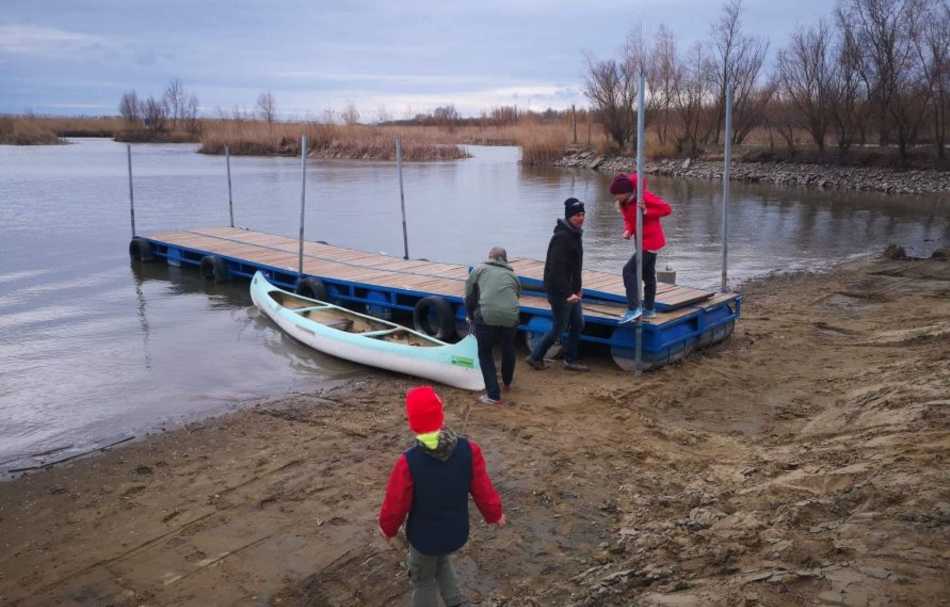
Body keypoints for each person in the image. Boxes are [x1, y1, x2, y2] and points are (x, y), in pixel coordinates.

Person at [378, 386, 506, 607]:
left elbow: (396, 503)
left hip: (424, 539)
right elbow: (483, 489)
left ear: (412, 424)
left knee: (423, 579)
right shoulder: (468, 450)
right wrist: (495, 515)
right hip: (455, 531)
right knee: (442, 561)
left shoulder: (408, 462)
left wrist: (387, 528)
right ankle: (456, 602)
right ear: (441, 415)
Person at [525, 197, 589, 372]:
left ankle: (570, 360)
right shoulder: (562, 237)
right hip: (560, 291)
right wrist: (568, 293)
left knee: (578, 324)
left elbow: (575, 267)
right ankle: (535, 356)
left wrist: (578, 288)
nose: (581, 218)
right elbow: (556, 271)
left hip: (572, 291)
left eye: (583, 214)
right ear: (569, 216)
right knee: (559, 327)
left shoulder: (576, 234)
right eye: (577, 215)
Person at [609, 173, 672, 323]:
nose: (616, 197)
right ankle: (649, 309)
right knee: (647, 276)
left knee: (628, 270)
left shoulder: (644, 198)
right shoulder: (624, 203)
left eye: (618, 194)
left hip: (651, 242)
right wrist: (628, 231)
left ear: (627, 192)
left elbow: (667, 209)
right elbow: (629, 220)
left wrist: (646, 211)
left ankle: (633, 309)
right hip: (641, 242)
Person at [464, 246, 521, 405]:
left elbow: (469, 297)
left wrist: (471, 317)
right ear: (505, 259)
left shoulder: (479, 270)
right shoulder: (513, 275)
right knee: (508, 348)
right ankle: (507, 383)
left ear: (489, 256)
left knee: (485, 353)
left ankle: (493, 395)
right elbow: (516, 296)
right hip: (511, 317)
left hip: (487, 316)